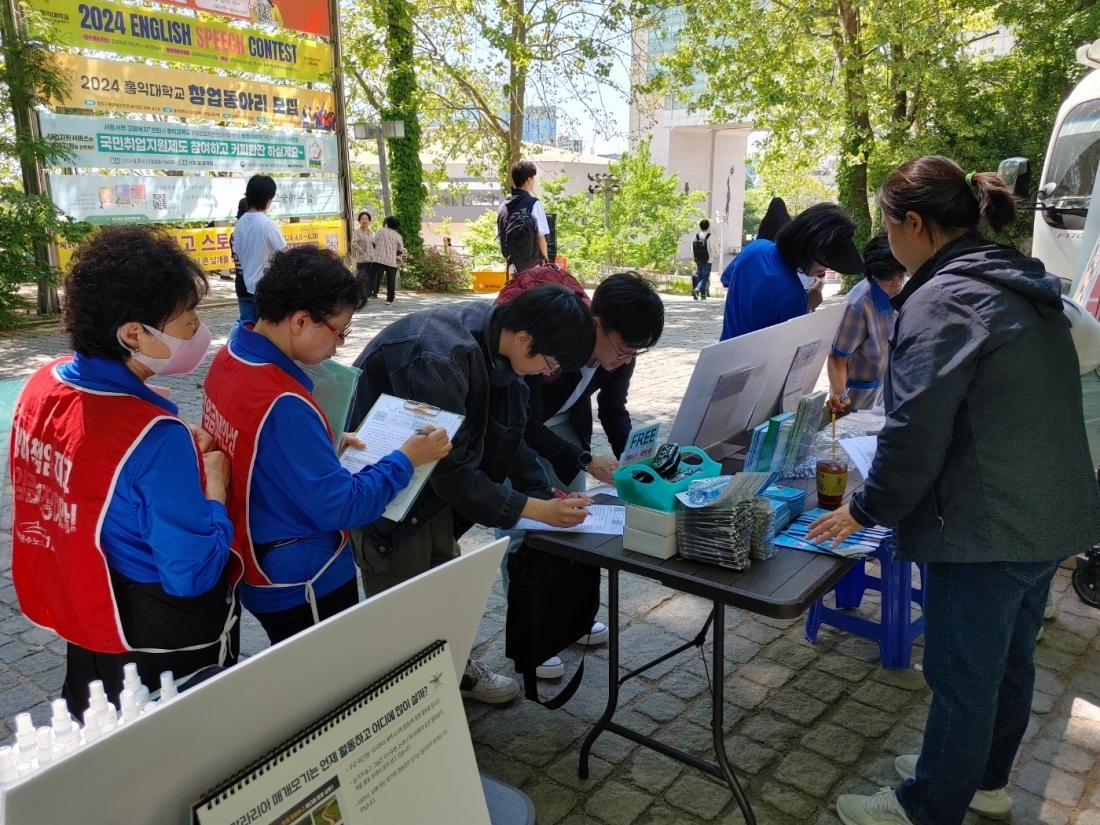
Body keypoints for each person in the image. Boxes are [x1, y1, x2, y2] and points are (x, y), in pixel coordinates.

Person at [806, 156, 1100, 825]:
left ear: (914, 223)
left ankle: (928, 805)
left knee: (962, 674)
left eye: (888, 225)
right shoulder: (1015, 280)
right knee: (1008, 662)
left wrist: (866, 509)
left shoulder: (943, 299)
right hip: (1047, 509)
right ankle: (981, 779)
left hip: (988, 523)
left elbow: (915, 429)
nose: (888, 241)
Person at [10, 226, 240, 716]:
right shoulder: (156, 438)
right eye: (189, 319)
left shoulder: (42, 384)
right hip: (158, 641)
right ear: (134, 334)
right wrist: (215, 490)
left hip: (87, 611)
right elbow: (192, 573)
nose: (200, 332)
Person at [347, 284, 596, 702]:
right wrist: (536, 511)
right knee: (402, 600)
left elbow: (511, 433)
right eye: (549, 363)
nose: (544, 373)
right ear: (525, 339)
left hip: (432, 491)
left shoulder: (500, 343)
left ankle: (453, 669)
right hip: (388, 493)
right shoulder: (437, 355)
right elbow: (452, 471)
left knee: (445, 583)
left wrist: (543, 493)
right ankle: (412, 704)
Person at [202, 246, 451, 646]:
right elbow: (341, 507)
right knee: (332, 673)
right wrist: (406, 459)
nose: (339, 345)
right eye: (338, 331)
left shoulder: (230, 357)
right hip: (303, 577)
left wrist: (321, 445)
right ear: (301, 320)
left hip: (255, 554)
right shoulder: (283, 402)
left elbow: (257, 449)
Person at [495, 269, 665, 678]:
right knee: (525, 531)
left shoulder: (621, 352)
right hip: (518, 434)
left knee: (575, 522)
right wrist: (587, 460)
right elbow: (528, 425)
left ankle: (570, 620)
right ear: (597, 324)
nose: (626, 359)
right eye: (623, 349)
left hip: (567, 427)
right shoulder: (556, 340)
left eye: (636, 353)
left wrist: (632, 458)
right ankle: (532, 638)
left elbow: (614, 408)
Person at [719, 202, 864, 340]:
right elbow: (787, 350)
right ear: (812, 250)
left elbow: (727, 278)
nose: (823, 272)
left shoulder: (755, 248)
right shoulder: (794, 296)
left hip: (724, 351)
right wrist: (806, 303)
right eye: (826, 263)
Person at [825, 232, 907, 414]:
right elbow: (838, 357)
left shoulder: (897, 290)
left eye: (901, 275)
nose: (897, 284)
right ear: (874, 273)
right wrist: (839, 393)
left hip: (884, 390)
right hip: (858, 398)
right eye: (889, 279)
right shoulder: (858, 306)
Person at [230, 175, 286, 329]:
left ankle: (237, 345)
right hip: (265, 289)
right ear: (268, 199)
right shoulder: (267, 224)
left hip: (244, 285)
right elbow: (285, 253)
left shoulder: (239, 224)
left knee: (247, 326)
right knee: (266, 330)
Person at [497, 160, 550, 275]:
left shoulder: (503, 207)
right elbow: (541, 237)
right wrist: (546, 262)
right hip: (533, 266)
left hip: (513, 267)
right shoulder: (534, 203)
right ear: (529, 179)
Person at [368, 216, 404, 305]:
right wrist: (395, 256)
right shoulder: (398, 236)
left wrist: (378, 250)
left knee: (370, 276)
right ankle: (389, 299)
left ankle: (363, 294)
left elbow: (374, 242)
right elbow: (400, 250)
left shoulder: (381, 231)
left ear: (387, 224)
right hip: (391, 260)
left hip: (378, 258)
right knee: (391, 279)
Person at [691, 219, 720, 300]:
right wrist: (716, 255)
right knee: (705, 277)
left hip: (698, 259)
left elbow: (692, 249)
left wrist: (694, 258)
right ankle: (697, 290)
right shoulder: (710, 236)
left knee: (700, 277)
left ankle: (703, 295)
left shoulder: (696, 237)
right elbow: (716, 248)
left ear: (700, 226)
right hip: (708, 260)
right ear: (708, 226)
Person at [352, 210, 374, 287]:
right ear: (359, 221)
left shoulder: (371, 232)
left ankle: (369, 292)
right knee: (361, 279)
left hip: (371, 259)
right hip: (362, 260)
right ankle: (361, 292)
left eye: (366, 219)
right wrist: (361, 250)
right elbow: (354, 243)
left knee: (370, 278)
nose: (364, 220)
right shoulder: (357, 232)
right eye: (362, 219)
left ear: (369, 221)